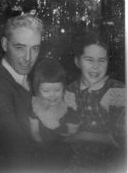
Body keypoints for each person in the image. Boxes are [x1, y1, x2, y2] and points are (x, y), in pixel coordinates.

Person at [0, 13, 44, 171]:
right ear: (5, 44)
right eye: (20, 47)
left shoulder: (23, 78)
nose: (28, 58)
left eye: (34, 49)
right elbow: (19, 156)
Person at [66, 31, 126, 172]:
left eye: (101, 60)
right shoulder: (70, 90)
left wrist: (79, 135)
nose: (96, 66)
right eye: (89, 60)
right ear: (77, 62)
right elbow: (62, 133)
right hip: (76, 166)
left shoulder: (118, 90)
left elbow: (120, 140)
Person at [29, 57, 80, 171]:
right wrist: (44, 147)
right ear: (38, 90)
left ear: (63, 88)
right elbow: (35, 132)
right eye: (46, 91)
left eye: (57, 90)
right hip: (42, 156)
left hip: (64, 158)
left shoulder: (68, 107)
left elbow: (73, 134)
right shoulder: (35, 108)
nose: (52, 95)